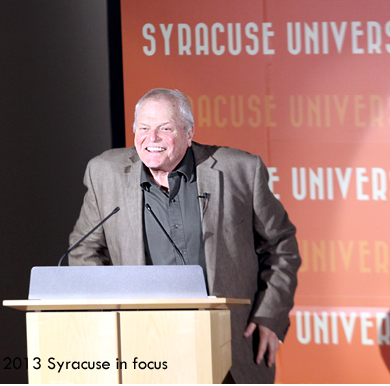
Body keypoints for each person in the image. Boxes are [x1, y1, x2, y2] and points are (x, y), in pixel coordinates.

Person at [69, 88, 301, 383]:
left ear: (188, 133)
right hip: (143, 347)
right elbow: (83, 251)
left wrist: (271, 315)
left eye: (164, 129)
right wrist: (107, 321)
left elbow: (281, 245)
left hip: (230, 344)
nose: (151, 139)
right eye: (143, 128)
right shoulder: (105, 173)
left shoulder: (240, 170)